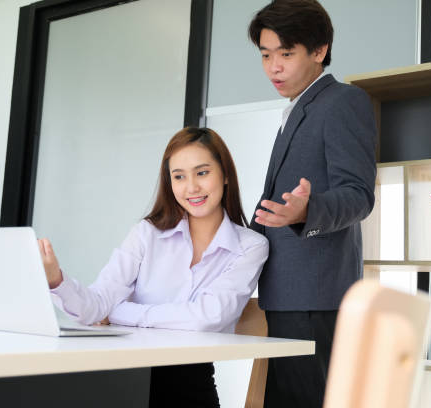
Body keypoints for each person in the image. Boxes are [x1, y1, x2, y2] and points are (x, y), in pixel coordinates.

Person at [38, 127, 269, 408]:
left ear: (226, 175)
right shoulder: (147, 233)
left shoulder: (251, 246)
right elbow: (96, 307)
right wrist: (55, 281)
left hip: (190, 384)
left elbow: (206, 318)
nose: (191, 187)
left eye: (202, 172)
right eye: (179, 177)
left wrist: (119, 312)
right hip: (125, 379)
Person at [247, 1, 377, 407]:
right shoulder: (297, 109)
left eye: (286, 53)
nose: (274, 67)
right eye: (266, 55)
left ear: (319, 51)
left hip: (315, 296)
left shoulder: (342, 101)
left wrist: (307, 211)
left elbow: (359, 194)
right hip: (286, 293)